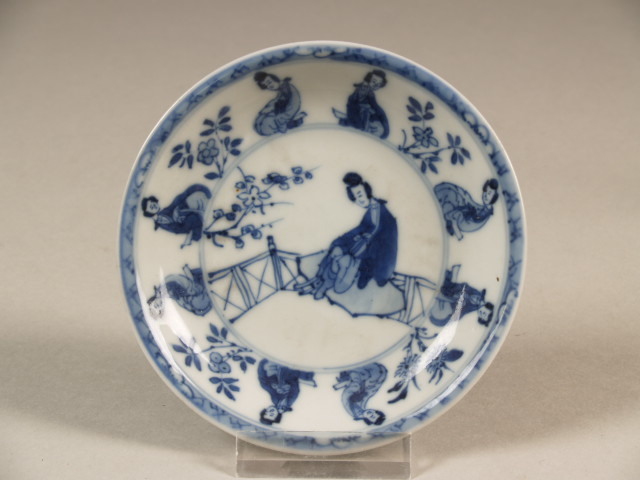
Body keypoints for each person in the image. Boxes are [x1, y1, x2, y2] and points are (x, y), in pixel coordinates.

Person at [296, 172, 398, 298]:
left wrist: (347, 248)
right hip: (370, 243)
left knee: (342, 254)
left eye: (360, 194)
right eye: (355, 198)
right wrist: (341, 240)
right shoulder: (372, 208)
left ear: (367, 190)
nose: (359, 200)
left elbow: (373, 232)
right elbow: (361, 228)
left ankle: (324, 284)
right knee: (337, 246)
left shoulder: (376, 208)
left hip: (379, 251)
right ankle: (318, 279)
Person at [141, 184, 211, 248]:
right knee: (194, 205)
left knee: (194, 198)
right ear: (150, 213)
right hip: (188, 223)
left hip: (186, 213)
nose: (154, 206)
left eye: (153, 203)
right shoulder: (160, 220)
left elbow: (173, 205)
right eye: (151, 208)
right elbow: (177, 229)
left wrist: (186, 193)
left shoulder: (163, 212)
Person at [434, 179, 499, 241]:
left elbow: (477, 218)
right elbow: (475, 207)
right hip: (469, 219)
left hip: (468, 223)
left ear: (494, 196)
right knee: (460, 200)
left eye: (489, 193)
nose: (485, 195)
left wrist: (471, 209)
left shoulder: (486, 211)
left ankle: (458, 235)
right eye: (485, 192)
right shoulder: (486, 208)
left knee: (456, 214)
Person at [429, 264, 494, 327]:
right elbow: (465, 288)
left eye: (481, 317)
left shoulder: (475, 306)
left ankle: (451, 277)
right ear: (487, 307)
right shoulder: (478, 297)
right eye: (484, 313)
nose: (481, 314)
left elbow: (461, 311)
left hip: (445, 312)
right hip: (450, 298)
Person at [257, 359, 316, 425]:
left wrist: (275, 386)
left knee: (265, 384)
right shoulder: (287, 403)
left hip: (278, 378)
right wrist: (285, 387)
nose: (270, 412)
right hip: (288, 377)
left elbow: (271, 390)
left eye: (266, 412)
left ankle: (264, 363)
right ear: (277, 415)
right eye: (271, 415)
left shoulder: (276, 401)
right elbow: (295, 391)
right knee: (268, 383)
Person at [333, 70, 389, 138]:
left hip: (362, 110)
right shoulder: (365, 89)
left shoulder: (368, 91)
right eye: (374, 81)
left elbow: (374, 105)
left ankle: (350, 121)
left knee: (376, 123)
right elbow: (359, 101)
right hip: (356, 110)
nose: (375, 85)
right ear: (368, 79)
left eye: (378, 85)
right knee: (364, 125)